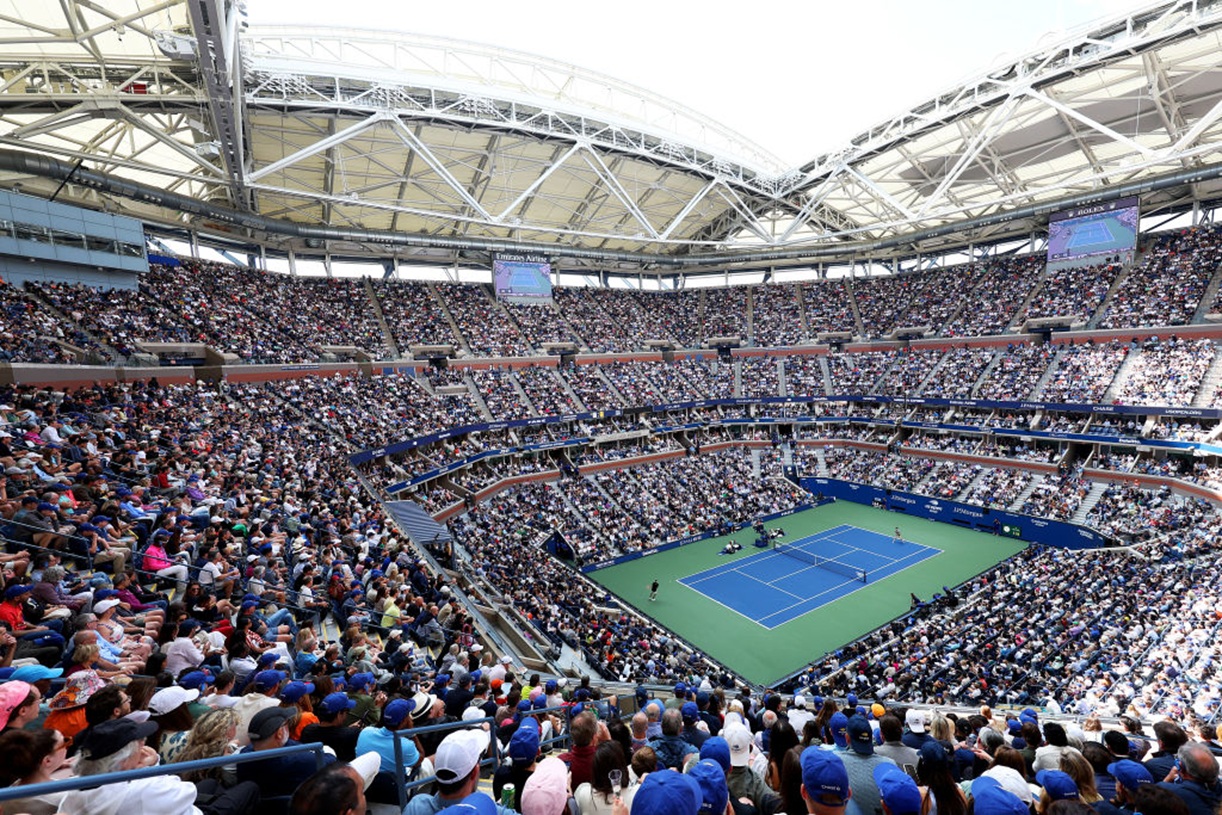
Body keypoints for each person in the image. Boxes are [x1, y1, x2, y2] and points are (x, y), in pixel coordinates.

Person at [60, 717, 200, 815]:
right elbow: (188, 791)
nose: (143, 744)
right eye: (139, 743)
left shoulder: (73, 788)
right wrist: (149, 768)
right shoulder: (145, 790)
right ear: (123, 760)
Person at [1154, 743, 1220, 815]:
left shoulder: (1167, 790)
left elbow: (1151, 797)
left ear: (1180, 766)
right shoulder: (1215, 792)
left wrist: (1168, 778)